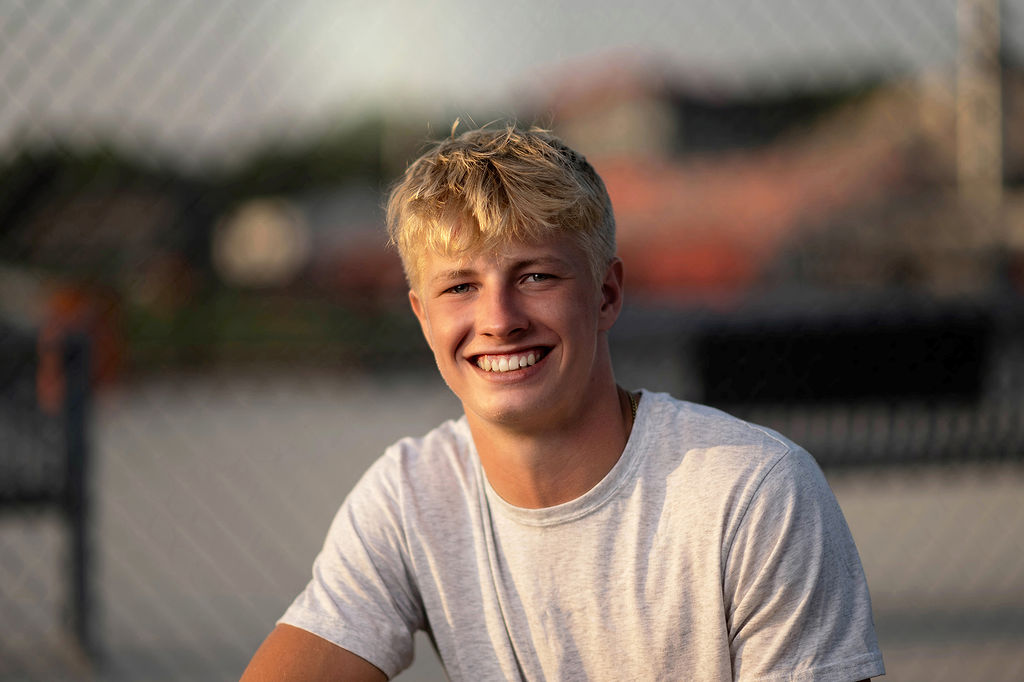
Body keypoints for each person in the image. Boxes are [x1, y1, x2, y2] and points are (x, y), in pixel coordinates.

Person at [241, 125, 885, 681]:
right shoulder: (411, 496)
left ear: (606, 295)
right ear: (421, 317)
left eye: (536, 276)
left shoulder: (751, 492)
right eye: (461, 285)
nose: (499, 319)